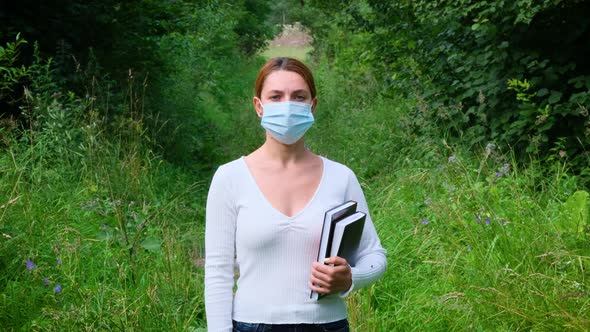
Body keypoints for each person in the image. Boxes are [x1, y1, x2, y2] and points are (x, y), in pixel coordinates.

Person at [204, 57, 387, 332]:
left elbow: (374, 254)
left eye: (298, 96)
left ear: (312, 106)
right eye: (276, 96)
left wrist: (350, 278)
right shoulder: (230, 178)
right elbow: (218, 271)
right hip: (252, 325)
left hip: (327, 326)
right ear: (259, 106)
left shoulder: (341, 177)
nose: (287, 105)